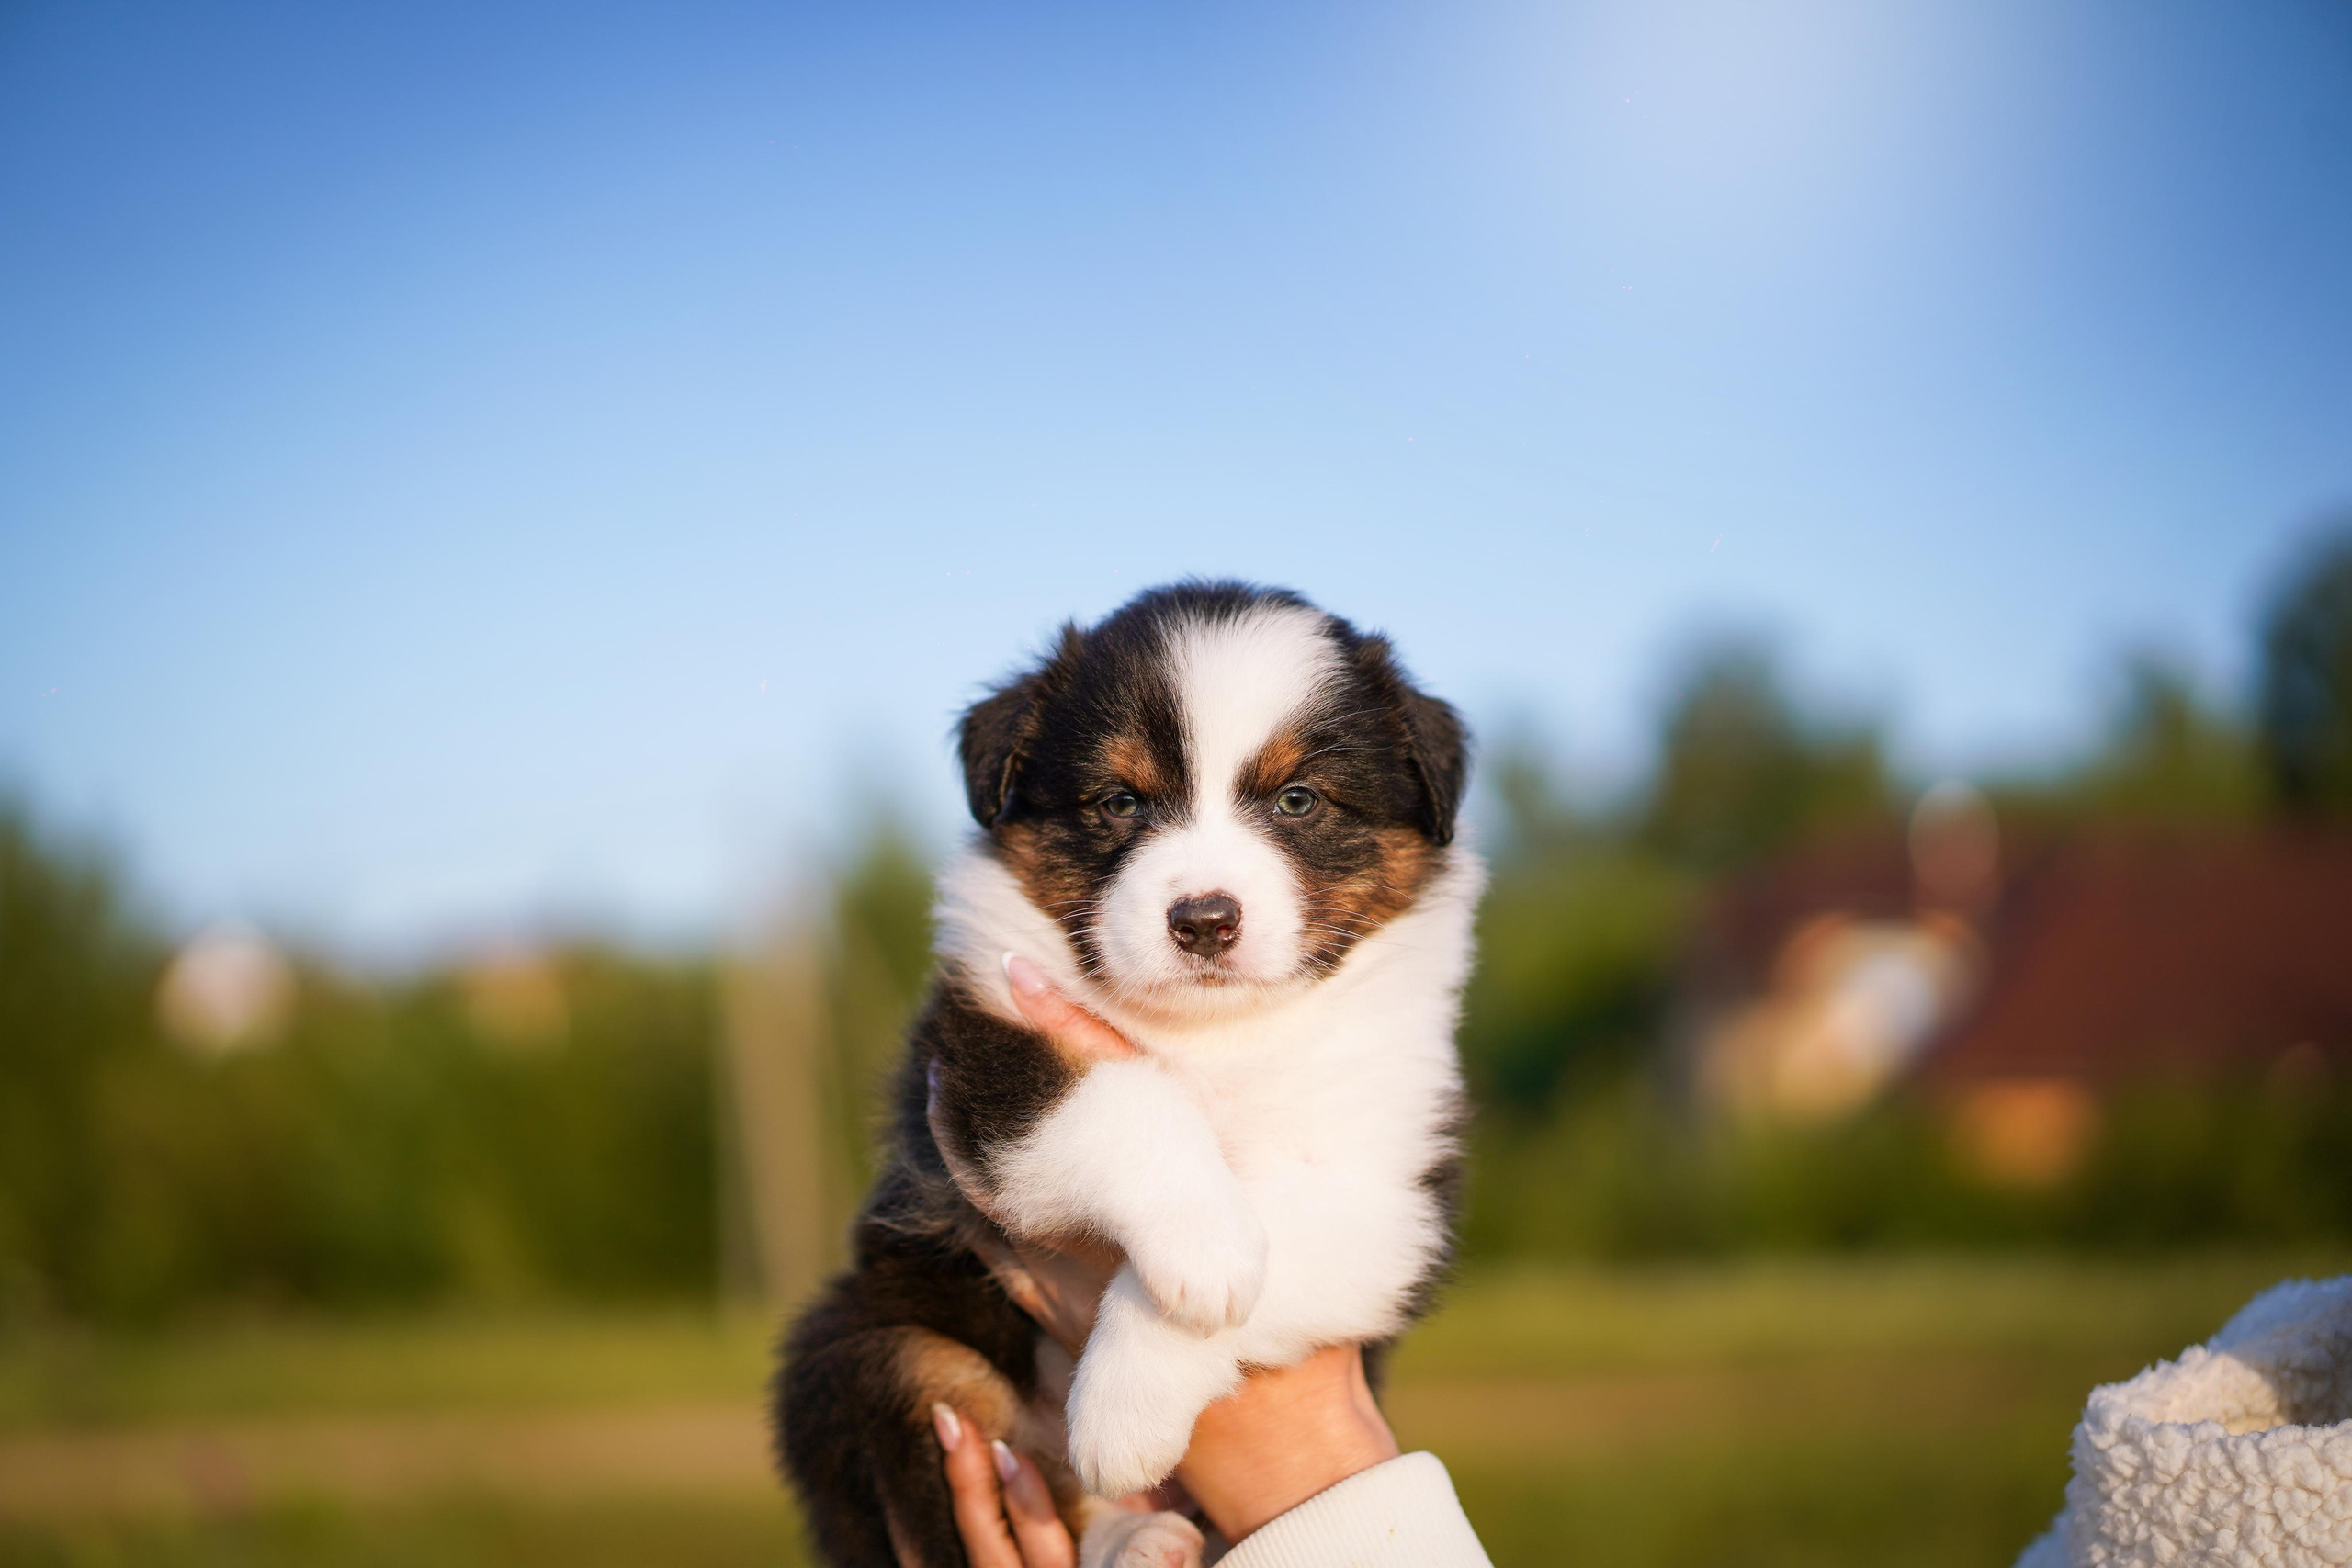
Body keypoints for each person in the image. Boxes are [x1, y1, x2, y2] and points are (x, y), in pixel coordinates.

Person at [920, 963, 1496, 1568]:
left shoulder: (1381, 1011)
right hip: (1014, 1417)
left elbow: (1383, 1234)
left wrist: (1164, 1336)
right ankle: (1100, 1526)